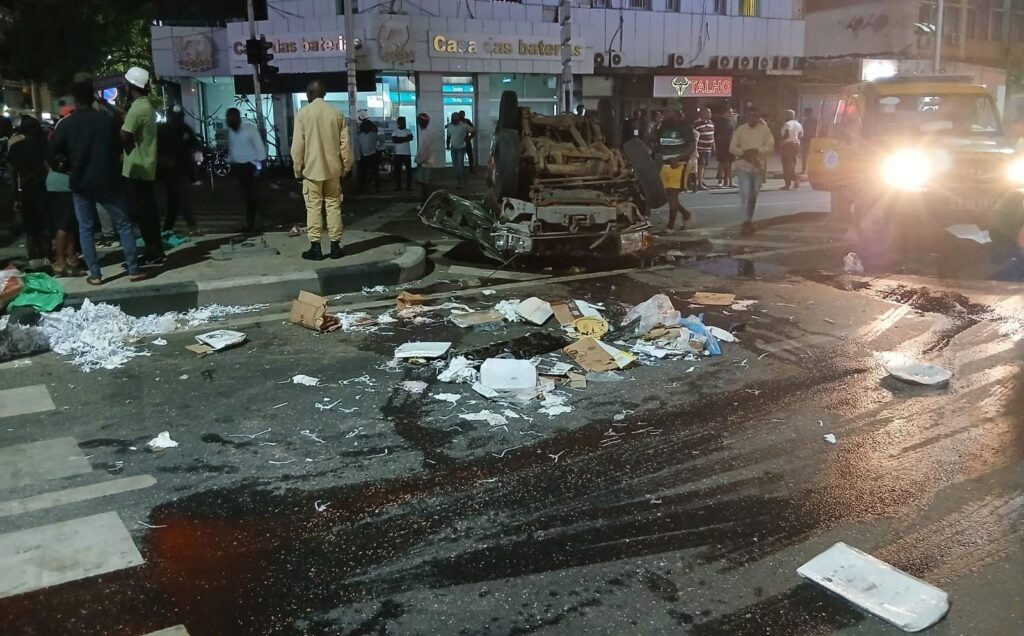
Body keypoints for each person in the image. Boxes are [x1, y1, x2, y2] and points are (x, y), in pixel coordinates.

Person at [47, 81, 144, 285]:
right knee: (123, 225)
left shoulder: (67, 124)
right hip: (109, 179)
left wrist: (66, 166)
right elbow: (121, 145)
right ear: (92, 97)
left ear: (75, 99)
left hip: (81, 182)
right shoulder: (107, 121)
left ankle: (96, 275)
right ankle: (133, 269)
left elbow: (51, 154)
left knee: (86, 228)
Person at [290, 79, 352, 261]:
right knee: (333, 206)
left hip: (311, 171)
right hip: (333, 170)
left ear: (309, 94)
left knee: (313, 208)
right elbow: (345, 144)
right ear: (324, 93)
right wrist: (346, 166)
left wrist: (297, 170)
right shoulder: (336, 113)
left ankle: (315, 248)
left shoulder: (303, 114)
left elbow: (298, 146)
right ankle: (335, 246)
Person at [120, 66, 165, 265]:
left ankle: (153, 252)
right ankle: (155, 251)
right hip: (146, 168)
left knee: (142, 214)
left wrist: (126, 148)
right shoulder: (145, 106)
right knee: (148, 213)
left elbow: (125, 134)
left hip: (136, 169)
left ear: (130, 87)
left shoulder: (137, 108)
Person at [8, 116, 49, 267]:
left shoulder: (16, 148)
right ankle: (47, 258)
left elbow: (14, 175)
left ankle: (33, 260)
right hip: (44, 188)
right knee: (45, 227)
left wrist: (16, 198)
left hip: (26, 190)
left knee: (31, 230)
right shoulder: (45, 145)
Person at [45, 110, 82, 276]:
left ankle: (71, 257)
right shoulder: (66, 142)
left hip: (59, 185)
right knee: (64, 225)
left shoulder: (56, 140)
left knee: (70, 225)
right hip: (62, 186)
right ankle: (60, 261)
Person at [157, 105, 201, 235]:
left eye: (179, 118)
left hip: (180, 170)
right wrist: (164, 161)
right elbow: (154, 149)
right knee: (178, 199)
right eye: (175, 118)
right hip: (165, 171)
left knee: (176, 200)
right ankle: (189, 226)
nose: (177, 120)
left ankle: (168, 228)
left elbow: (194, 144)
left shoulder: (184, 129)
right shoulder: (161, 130)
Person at [729, 109, 775, 235]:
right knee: (746, 193)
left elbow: (770, 146)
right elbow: (732, 147)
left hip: (757, 166)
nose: (752, 119)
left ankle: (748, 219)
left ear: (758, 118)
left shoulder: (764, 130)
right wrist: (745, 153)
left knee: (753, 195)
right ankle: (746, 222)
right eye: (750, 116)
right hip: (743, 165)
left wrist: (757, 151)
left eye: (755, 116)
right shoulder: (741, 130)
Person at [225, 107, 266, 232]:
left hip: (251, 166)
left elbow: (259, 147)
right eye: (228, 117)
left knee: (251, 195)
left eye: (231, 117)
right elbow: (232, 147)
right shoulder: (231, 132)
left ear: (238, 117)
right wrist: (230, 161)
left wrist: (261, 166)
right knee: (246, 195)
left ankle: (251, 223)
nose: (229, 120)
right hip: (239, 167)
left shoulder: (249, 129)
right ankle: (254, 220)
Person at [656, 111, 695, 232]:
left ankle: (670, 226)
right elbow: (652, 138)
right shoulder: (663, 126)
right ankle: (685, 214)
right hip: (665, 165)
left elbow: (692, 146)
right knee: (667, 197)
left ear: (677, 115)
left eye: (669, 112)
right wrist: (656, 124)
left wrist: (678, 158)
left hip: (678, 165)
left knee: (673, 197)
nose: (666, 114)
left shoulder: (684, 127)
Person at [446, 112, 474, 188]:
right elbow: (448, 136)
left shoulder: (464, 126)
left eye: (456, 119)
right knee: (455, 166)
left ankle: (462, 182)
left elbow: (473, 131)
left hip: (461, 148)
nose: (455, 120)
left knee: (460, 166)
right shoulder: (450, 126)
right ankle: (459, 182)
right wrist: (448, 145)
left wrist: (468, 138)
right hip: (453, 147)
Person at [779, 109, 804, 190]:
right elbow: (801, 134)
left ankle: (788, 184)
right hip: (796, 145)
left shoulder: (787, 124)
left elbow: (786, 134)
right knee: (792, 164)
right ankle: (795, 178)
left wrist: (782, 141)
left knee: (786, 165)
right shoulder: (798, 124)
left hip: (788, 145)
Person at [355, 118, 381, 193]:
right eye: (364, 126)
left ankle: (377, 188)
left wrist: (378, 147)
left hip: (373, 155)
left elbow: (381, 140)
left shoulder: (373, 134)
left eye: (367, 126)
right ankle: (362, 188)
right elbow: (358, 147)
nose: (366, 128)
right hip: (364, 156)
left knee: (375, 173)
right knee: (363, 173)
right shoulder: (360, 136)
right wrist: (358, 157)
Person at [414, 112, 435, 202]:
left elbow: (426, 150)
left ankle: (426, 201)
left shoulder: (426, 133)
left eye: (419, 121)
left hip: (425, 161)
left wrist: (419, 160)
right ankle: (425, 200)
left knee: (423, 182)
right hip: (424, 160)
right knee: (423, 182)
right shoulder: (424, 132)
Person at [694, 108, 715, 190]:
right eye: (708, 113)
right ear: (703, 113)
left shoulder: (711, 123)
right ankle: (699, 184)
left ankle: (701, 180)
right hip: (700, 148)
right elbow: (694, 136)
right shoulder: (697, 124)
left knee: (705, 165)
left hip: (708, 148)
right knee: (701, 165)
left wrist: (713, 145)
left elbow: (712, 135)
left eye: (710, 113)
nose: (710, 114)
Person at [714, 107, 735, 187]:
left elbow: (732, 133)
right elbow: (716, 134)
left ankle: (730, 182)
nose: (731, 114)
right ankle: (720, 181)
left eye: (731, 112)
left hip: (729, 145)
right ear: (725, 113)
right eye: (729, 112)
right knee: (722, 163)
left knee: (729, 164)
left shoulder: (730, 122)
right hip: (722, 145)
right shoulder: (720, 122)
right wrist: (718, 144)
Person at [391, 116, 413, 191]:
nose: (403, 123)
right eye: (401, 122)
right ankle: (398, 186)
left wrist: (400, 139)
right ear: (398, 123)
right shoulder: (395, 131)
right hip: (398, 154)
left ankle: (408, 186)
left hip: (407, 153)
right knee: (397, 171)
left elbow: (410, 138)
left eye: (404, 121)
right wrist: (405, 138)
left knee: (409, 171)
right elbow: (394, 140)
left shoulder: (408, 130)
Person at [800, 107, 818, 174]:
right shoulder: (815, 120)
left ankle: (804, 169)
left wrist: (803, 137)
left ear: (808, 113)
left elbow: (805, 131)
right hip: (813, 140)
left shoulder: (807, 121)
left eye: (805, 112)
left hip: (806, 140)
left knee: (805, 155)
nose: (804, 114)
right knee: (810, 155)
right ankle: (810, 169)